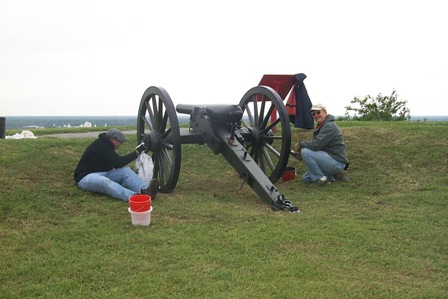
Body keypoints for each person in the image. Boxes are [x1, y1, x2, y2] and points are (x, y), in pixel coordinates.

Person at [74, 128, 159, 201]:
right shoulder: (100, 145)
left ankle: (146, 190)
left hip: (104, 172)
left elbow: (115, 163)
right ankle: (134, 197)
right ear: (113, 140)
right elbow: (118, 163)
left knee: (126, 171)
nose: (120, 145)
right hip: (85, 177)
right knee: (104, 182)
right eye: (120, 142)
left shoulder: (106, 144)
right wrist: (136, 153)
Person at [295, 103, 350, 186]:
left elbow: (316, 145)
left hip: (337, 161)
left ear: (325, 113)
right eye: (313, 114)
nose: (316, 115)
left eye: (318, 112)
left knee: (305, 152)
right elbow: (318, 147)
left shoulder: (329, 126)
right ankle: (333, 175)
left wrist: (301, 144)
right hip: (330, 158)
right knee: (306, 178)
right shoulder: (323, 126)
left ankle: (322, 179)